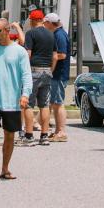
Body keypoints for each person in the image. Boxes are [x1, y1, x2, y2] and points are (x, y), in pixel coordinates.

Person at [0, 18, 32, 181]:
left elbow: (26, 75)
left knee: (10, 135)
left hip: (12, 100)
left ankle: (5, 168)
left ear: (7, 31)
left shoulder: (19, 51)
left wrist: (25, 94)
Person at [20, 9, 57, 147]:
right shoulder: (51, 34)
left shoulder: (30, 33)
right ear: (42, 20)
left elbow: (27, 54)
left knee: (29, 104)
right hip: (47, 71)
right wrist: (50, 70)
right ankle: (44, 135)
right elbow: (55, 56)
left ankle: (29, 136)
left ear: (32, 20)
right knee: (45, 105)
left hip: (33, 70)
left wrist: (24, 71)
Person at [44, 12, 70, 142]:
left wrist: (47, 59)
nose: (44, 25)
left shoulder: (59, 35)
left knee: (58, 103)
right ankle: (57, 131)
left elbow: (62, 55)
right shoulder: (58, 33)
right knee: (55, 103)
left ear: (50, 23)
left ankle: (61, 131)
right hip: (57, 73)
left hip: (59, 73)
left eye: (45, 23)